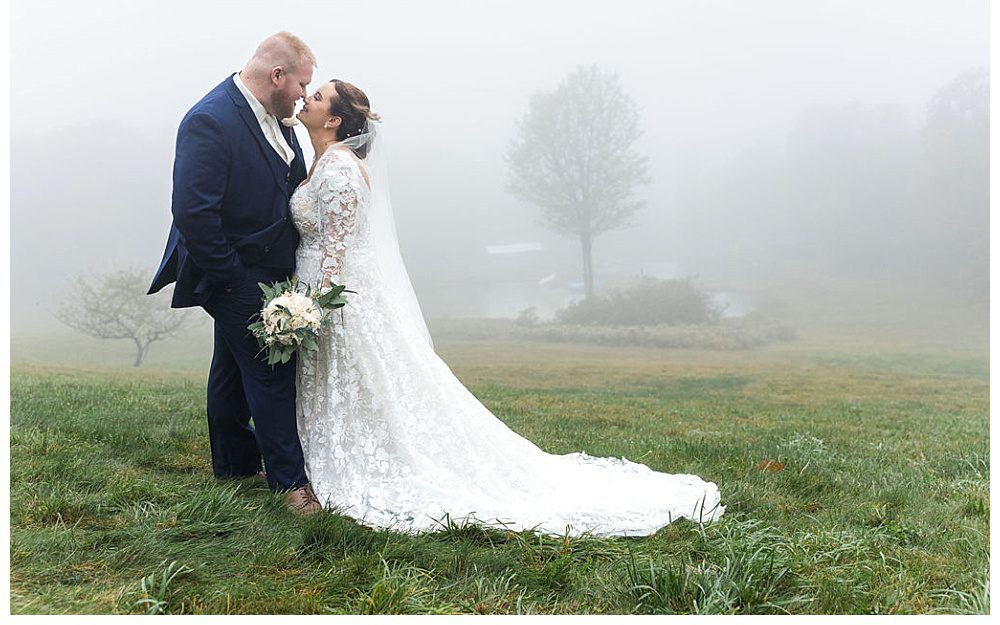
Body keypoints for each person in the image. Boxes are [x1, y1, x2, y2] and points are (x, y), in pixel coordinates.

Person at [290, 79, 726, 536]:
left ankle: (362, 462)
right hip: (325, 291)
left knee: (368, 381)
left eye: (317, 97)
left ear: (335, 120)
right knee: (358, 384)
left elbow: (336, 248)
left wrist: (313, 305)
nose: (308, 99)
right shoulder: (324, 163)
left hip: (335, 295)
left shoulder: (339, 168)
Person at [149, 33, 322, 514]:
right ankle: (291, 486)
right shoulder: (210, 119)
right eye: (302, 84)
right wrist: (233, 282)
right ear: (277, 76)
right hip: (230, 270)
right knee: (270, 370)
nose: (305, 95)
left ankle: (233, 464)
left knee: (230, 368)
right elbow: (193, 213)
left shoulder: (281, 119)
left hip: (267, 271)